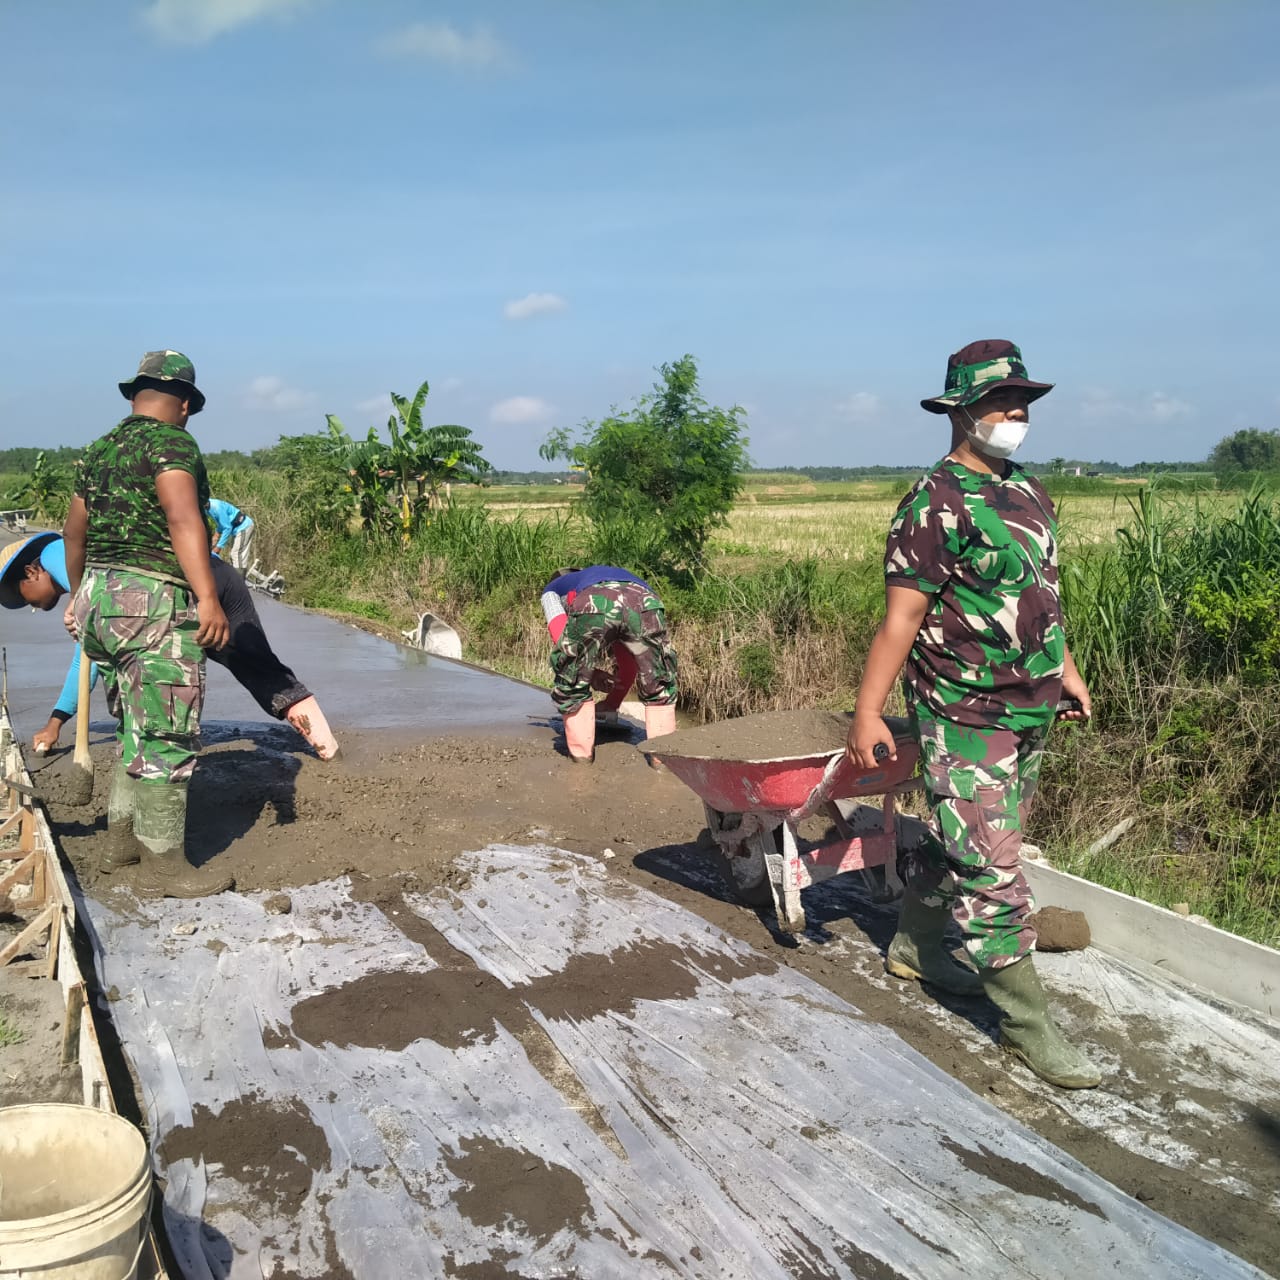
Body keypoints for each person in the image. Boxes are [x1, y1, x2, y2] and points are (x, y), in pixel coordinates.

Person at [845, 339, 1099, 1090]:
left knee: (969, 840)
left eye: (1020, 401)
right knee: (993, 867)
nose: (1013, 413)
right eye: (997, 401)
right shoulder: (933, 503)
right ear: (959, 410)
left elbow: (1042, 592)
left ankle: (915, 949)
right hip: (963, 711)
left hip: (1031, 706)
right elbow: (900, 620)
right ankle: (1026, 1028)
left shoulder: (1029, 491)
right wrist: (868, 713)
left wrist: (1069, 669)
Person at [62, 350, 233, 898]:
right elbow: (183, 518)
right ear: (184, 404)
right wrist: (208, 598)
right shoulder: (172, 442)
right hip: (152, 600)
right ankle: (165, 867)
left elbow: (73, 532)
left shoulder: (98, 450)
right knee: (166, 730)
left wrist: (80, 597)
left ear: (135, 395)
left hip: (100, 599)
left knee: (136, 722)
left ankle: (120, 845)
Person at [0, 532, 339, 762]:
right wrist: (56, 722)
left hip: (190, 583)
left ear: (32, 572)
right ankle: (330, 752)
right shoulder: (87, 578)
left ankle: (154, 765)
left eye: (22, 596)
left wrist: (78, 600)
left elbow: (87, 652)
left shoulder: (55, 554)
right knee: (261, 670)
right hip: (208, 578)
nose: (29, 606)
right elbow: (86, 660)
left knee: (155, 682)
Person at [540, 565, 678, 763]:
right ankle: (665, 764)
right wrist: (611, 703)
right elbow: (629, 661)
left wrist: (588, 674)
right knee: (659, 685)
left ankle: (582, 765)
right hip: (646, 601)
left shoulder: (552, 589)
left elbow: (563, 641)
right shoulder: (607, 575)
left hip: (594, 601)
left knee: (572, 684)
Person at [207, 497, 255, 572]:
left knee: (236, 554)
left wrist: (219, 547)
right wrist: (216, 535)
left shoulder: (216, 507)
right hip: (237, 529)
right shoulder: (207, 508)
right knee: (233, 556)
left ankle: (239, 580)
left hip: (243, 527)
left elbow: (227, 527)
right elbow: (222, 522)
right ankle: (235, 577)